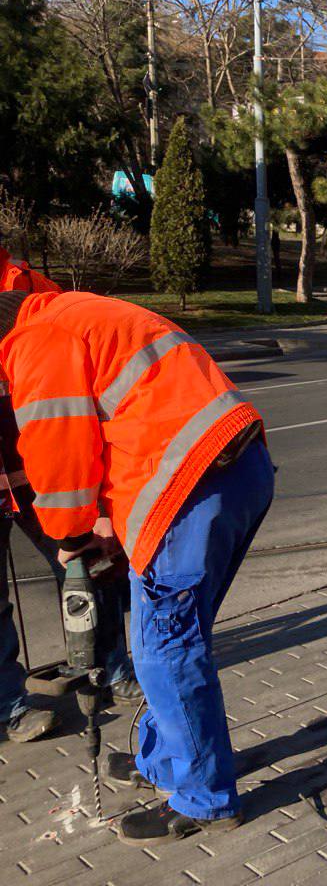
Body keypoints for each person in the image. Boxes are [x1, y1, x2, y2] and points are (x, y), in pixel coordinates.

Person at [0, 290, 273, 843]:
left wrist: (72, 536)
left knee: (165, 650)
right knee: (168, 641)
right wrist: (111, 525)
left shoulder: (35, 342)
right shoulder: (73, 311)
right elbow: (124, 421)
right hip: (236, 467)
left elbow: (60, 453)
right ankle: (166, 761)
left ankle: (203, 797)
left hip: (188, 486)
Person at [0, 246, 138, 743]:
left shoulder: (33, 287)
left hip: (43, 467)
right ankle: (9, 705)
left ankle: (110, 670)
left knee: (91, 567)